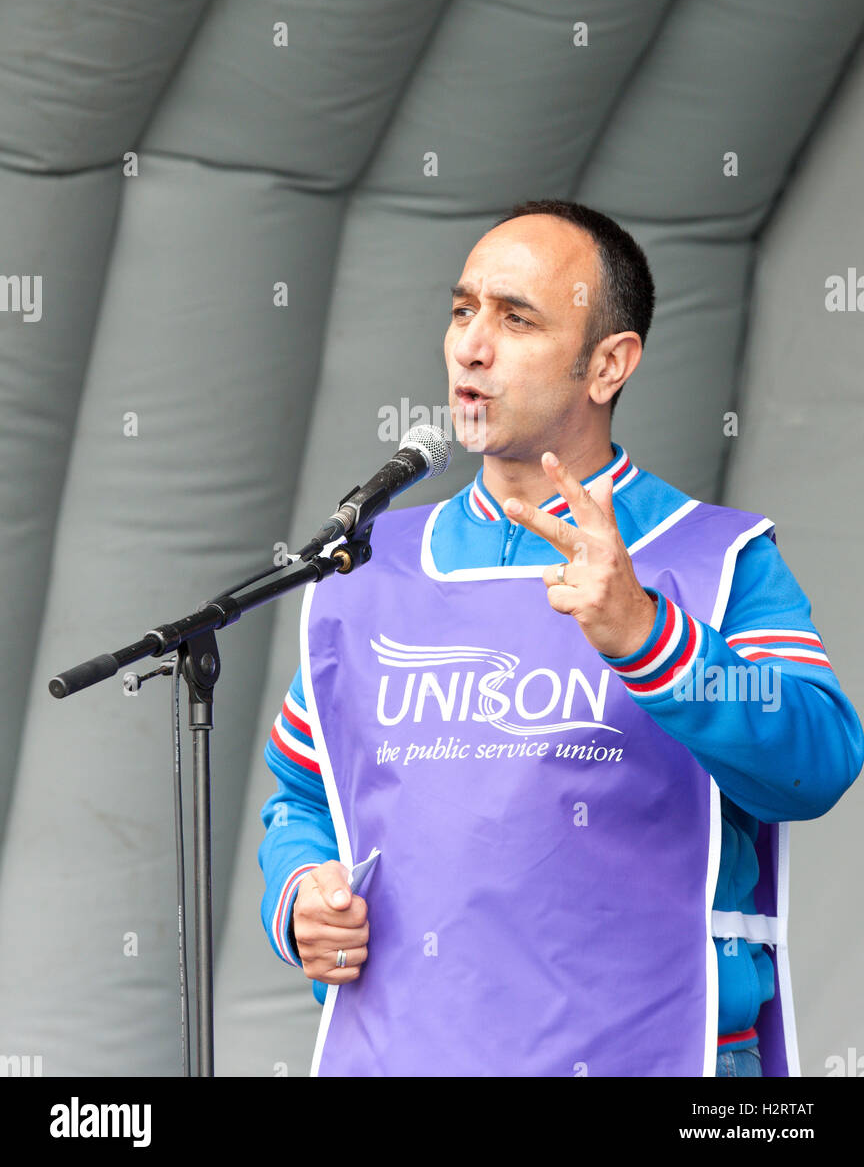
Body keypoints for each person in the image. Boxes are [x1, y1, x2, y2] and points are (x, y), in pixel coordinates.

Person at [258, 199, 863, 1077]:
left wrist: (648, 636)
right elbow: (304, 796)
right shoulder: (369, 563)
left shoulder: (714, 556)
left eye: (516, 318)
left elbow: (819, 759)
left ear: (608, 364)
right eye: (463, 309)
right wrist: (300, 894)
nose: (471, 346)